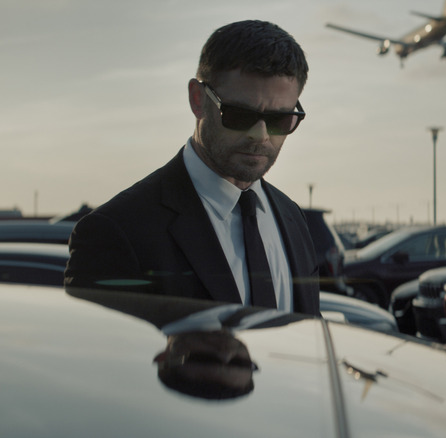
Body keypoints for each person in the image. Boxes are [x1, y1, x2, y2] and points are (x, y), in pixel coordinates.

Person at [65, 20, 319, 316]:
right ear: (198, 99)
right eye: (239, 115)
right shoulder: (116, 232)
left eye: (280, 120)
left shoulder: (292, 219)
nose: (260, 135)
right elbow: (101, 359)